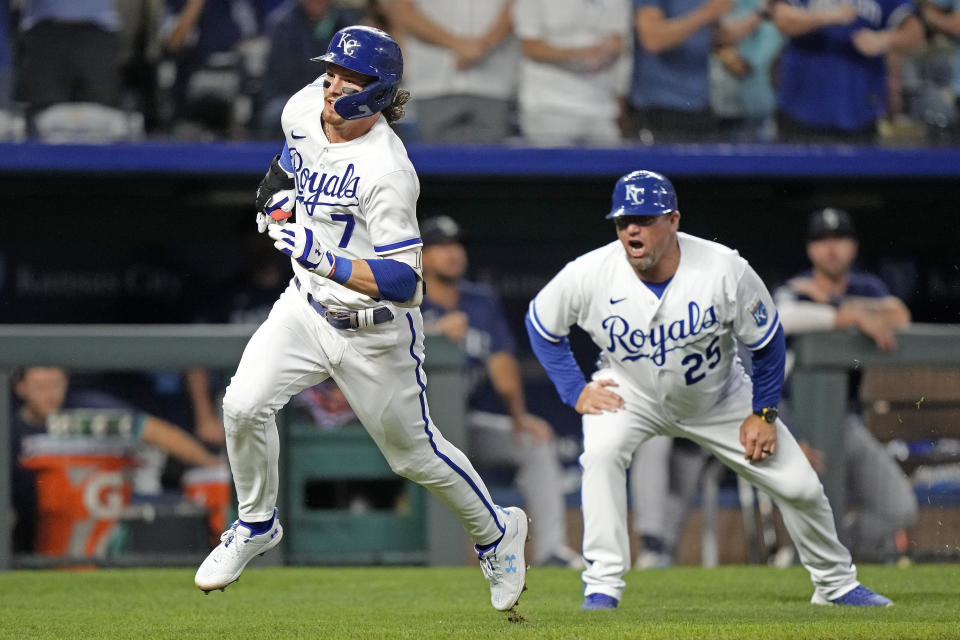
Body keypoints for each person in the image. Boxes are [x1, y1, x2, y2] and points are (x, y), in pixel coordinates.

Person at [194, 26, 529, 613]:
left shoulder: (388, 171)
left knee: (414, 456)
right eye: (332, 70)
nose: (332, 83)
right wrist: (272, 202)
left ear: (378, 94)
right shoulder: (303, 106)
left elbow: (406, 282)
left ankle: (498, 532)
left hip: (374, 329)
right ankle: (255, 523)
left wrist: (321, 254)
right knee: (243, 405)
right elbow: (287, 166)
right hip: (305, 307)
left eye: (349, 77)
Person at [525, 169, 893, 610]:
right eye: (624, 221)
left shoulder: (724, 269)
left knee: (800, 486)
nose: (632, 230)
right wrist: (575, 389)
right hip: (629, 392)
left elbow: (768, 341)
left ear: (673, 220)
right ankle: (602, 586)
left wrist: (764, 414)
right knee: (601, 455)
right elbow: (541, 324)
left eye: (644, 218)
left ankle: (835, 584)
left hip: (718, 396)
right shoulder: (588, 274)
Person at [418, 215, 583, 568]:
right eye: (442, 246)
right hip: (412, 429)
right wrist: (431, 330)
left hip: (463, 424)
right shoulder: (405, 298)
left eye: (457, 245)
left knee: (536, 442)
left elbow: (502, 363)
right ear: (423, 255)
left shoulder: (481, 301)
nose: (453, 253)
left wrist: (519, 416)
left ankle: (552, 551)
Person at [773, 207, 917, 562]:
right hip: (793, 416)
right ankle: (810, 558)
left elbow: (900, 315)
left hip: (843, 419)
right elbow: (781, 317)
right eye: (821, 240)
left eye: (839, 239)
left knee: (899, 509)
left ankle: (835, 557)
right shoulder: (794, 289)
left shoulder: (864, 287)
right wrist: (853, 315)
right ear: (810, 249)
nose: (831, 247)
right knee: (813, 511)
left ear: (852, 246)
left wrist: (838, 305)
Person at [10, 366, 223, 553]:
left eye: (55, 384)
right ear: (21, 387)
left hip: (88, 523)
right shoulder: (10, 426)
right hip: (24, 523)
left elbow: (155, 431)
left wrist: (209, 463)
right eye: (40, 386)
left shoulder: (86, 408)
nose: (50, 394)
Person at [772, 0, 924, 143]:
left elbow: (915, 33)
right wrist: (825, 16)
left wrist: (884, 40)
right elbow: (782, 19)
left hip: (860, 110)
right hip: (801, 108)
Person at [630, 0, 762, 142]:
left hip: (700, 108)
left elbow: (717, 37)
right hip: (658, 108)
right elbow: (653, 40)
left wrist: (761, 15)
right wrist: (706, 13)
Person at [390, 0, 517, 143]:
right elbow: (402, 11)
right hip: (432, 83)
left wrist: (485, 45)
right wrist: (458, 45)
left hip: (494, 82)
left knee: (495, 161)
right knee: (434, 162)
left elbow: (518, 5)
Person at [512, 0, 632, 145]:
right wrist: (581, 54)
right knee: (553, 167)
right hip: (547, 105)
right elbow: (531, 47)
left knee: (611, 165)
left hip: (600, 106)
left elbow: (618, 41)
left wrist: (619, 96)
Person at [254, 0, 363, 133]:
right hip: (289, 97)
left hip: (337, 96)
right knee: (275, 114)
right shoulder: (282, 24)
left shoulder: (348, 25)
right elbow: (286, 76)